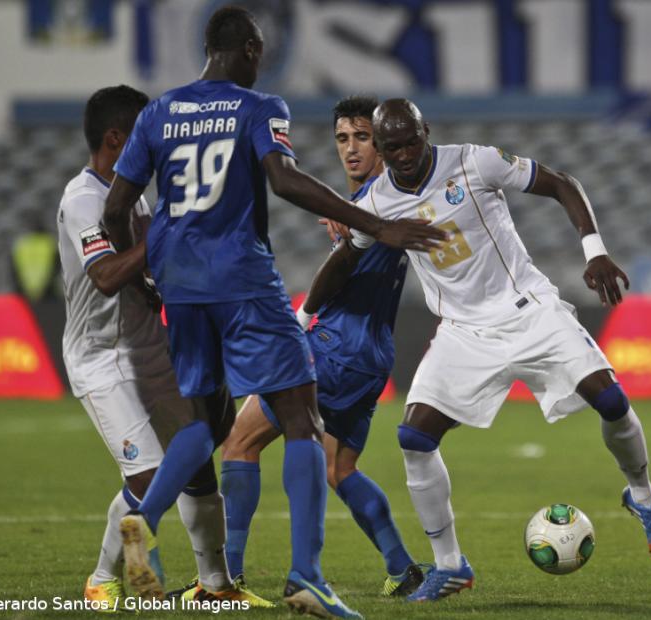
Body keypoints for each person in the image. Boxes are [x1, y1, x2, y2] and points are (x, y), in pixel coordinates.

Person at [102, 7, 444, 618]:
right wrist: (376, 226)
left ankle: (141, 519)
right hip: (240, 277)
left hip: (179, 285)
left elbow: (116, 208)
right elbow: (283, 181)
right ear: (253, 49)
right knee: (301, 417)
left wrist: (155, 269)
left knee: (208, 422)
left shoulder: (157, 112)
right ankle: (307, 577)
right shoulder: (258, 107)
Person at [336, 99, 651, 602]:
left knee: (611, 402)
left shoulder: (476, 161)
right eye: (392, 147)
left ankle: (644, 499)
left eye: (412, 140)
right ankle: (450, 565)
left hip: (529, 311)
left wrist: (596, 251)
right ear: (381, 151)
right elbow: (344, 257)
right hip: (463, 332)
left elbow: (562, 183)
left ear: (425, 131)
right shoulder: (376, 203)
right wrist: (304, 317)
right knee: (413, 437)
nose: (405, 153)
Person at [56, 85, 272, 608]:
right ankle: (102, 579)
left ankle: (214, 586)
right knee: (153, 475)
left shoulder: (134, 194)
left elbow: (154, 261)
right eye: (145, 134)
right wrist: (166, 238)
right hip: (102, 357)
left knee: (196, 464)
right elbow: (106, 275)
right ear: (116, 138)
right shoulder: (83, 200)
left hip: (152, 348)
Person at [217, 94, 425, 599]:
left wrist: (304, 313)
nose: (351, 149)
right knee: (338, 467)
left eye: (362, 138)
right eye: (342, 138)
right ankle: (403, 567)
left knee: (239, 444)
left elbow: (344, 266)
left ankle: (225, 577)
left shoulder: (376, 203)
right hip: (373, 358)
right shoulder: (372, 204)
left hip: (334, 347)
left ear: (384, 143)